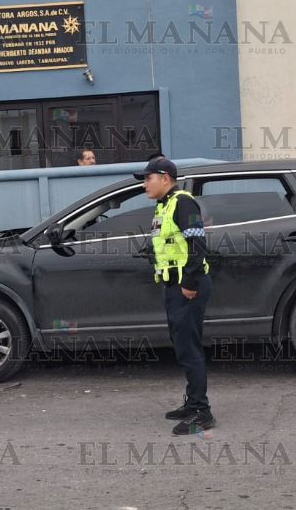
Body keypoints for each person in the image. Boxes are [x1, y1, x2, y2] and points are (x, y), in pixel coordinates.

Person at [133, 157, 215, 435]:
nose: (144, 184)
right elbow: (170, 242)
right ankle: (192, 404)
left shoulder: (183, 202)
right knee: (182, 347)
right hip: (174, 286)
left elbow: (197, 243)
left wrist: (189, 282)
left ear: (164, 177)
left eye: (147, 179)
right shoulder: (164, 206)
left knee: (190, 350)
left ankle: (202, 413)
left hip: (187, 286)